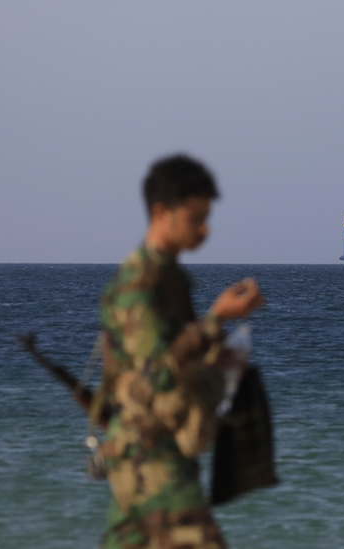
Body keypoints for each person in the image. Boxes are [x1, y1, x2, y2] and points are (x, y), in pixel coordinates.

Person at [94, 154, 264, 549]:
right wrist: (214, 320)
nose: (205, 230)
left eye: (207, 218)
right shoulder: (141, 284)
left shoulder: (170, 278)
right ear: (161, 212)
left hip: (157, 444)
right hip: (148, 452)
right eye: (195, 218)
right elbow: (153, 378)